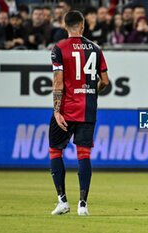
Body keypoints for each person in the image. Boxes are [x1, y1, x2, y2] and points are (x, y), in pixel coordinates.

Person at [49, 10, 110, 216]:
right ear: (83, 26)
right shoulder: (95, 48)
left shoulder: (59, 48)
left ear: (64, 25)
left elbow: (58, 81)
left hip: (66, 109)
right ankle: (83, 204)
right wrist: (92, 91)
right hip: (88, 109)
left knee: (55, 151)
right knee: (84, 154)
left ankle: (62, 201)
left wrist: (57, 111)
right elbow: (106, 82)